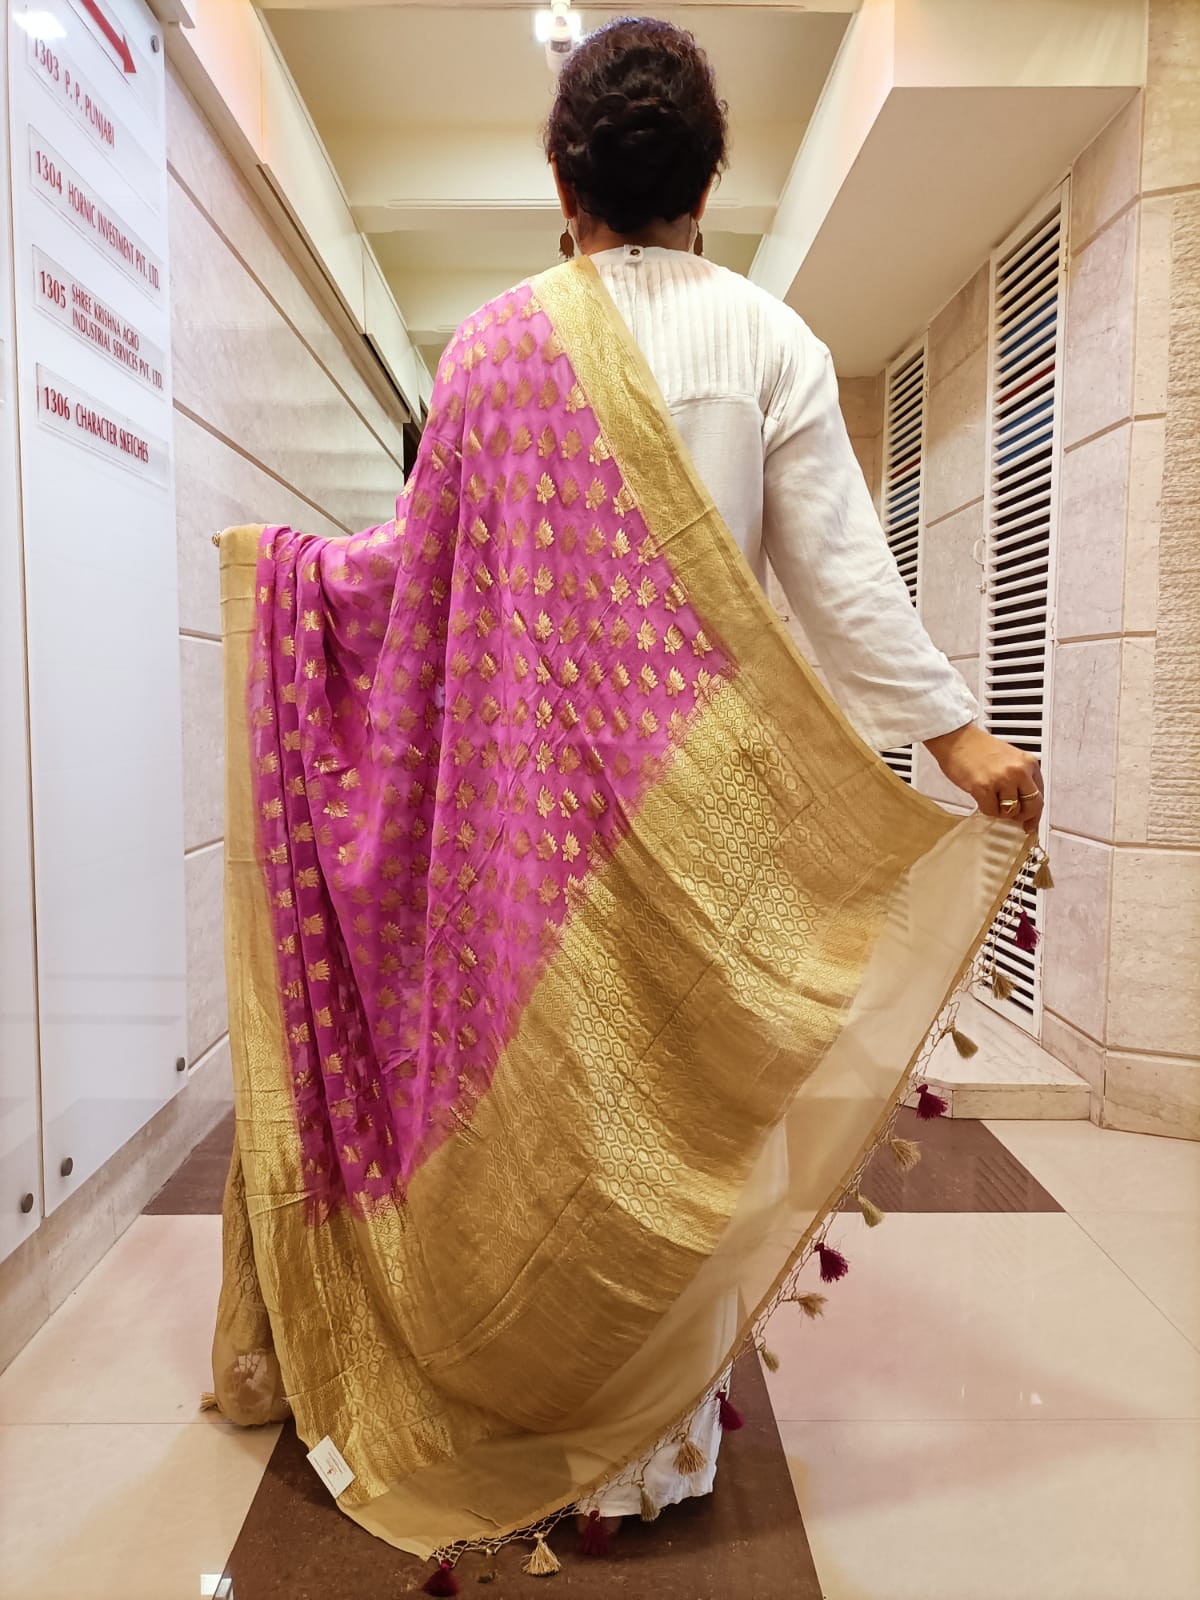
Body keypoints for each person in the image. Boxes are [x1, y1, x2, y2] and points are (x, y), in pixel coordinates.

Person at [207, 17, 1043, 1583]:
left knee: (553, 1121)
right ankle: (653, 1455)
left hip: (524, 828)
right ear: (706, 189)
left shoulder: (492, 351)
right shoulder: (768, 342)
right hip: (705, 824)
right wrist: (957, 741)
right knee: (687, 1134)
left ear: (563, 185)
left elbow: (413, 592)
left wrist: (288, 580)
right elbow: (845, 587)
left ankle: (523, 1401)